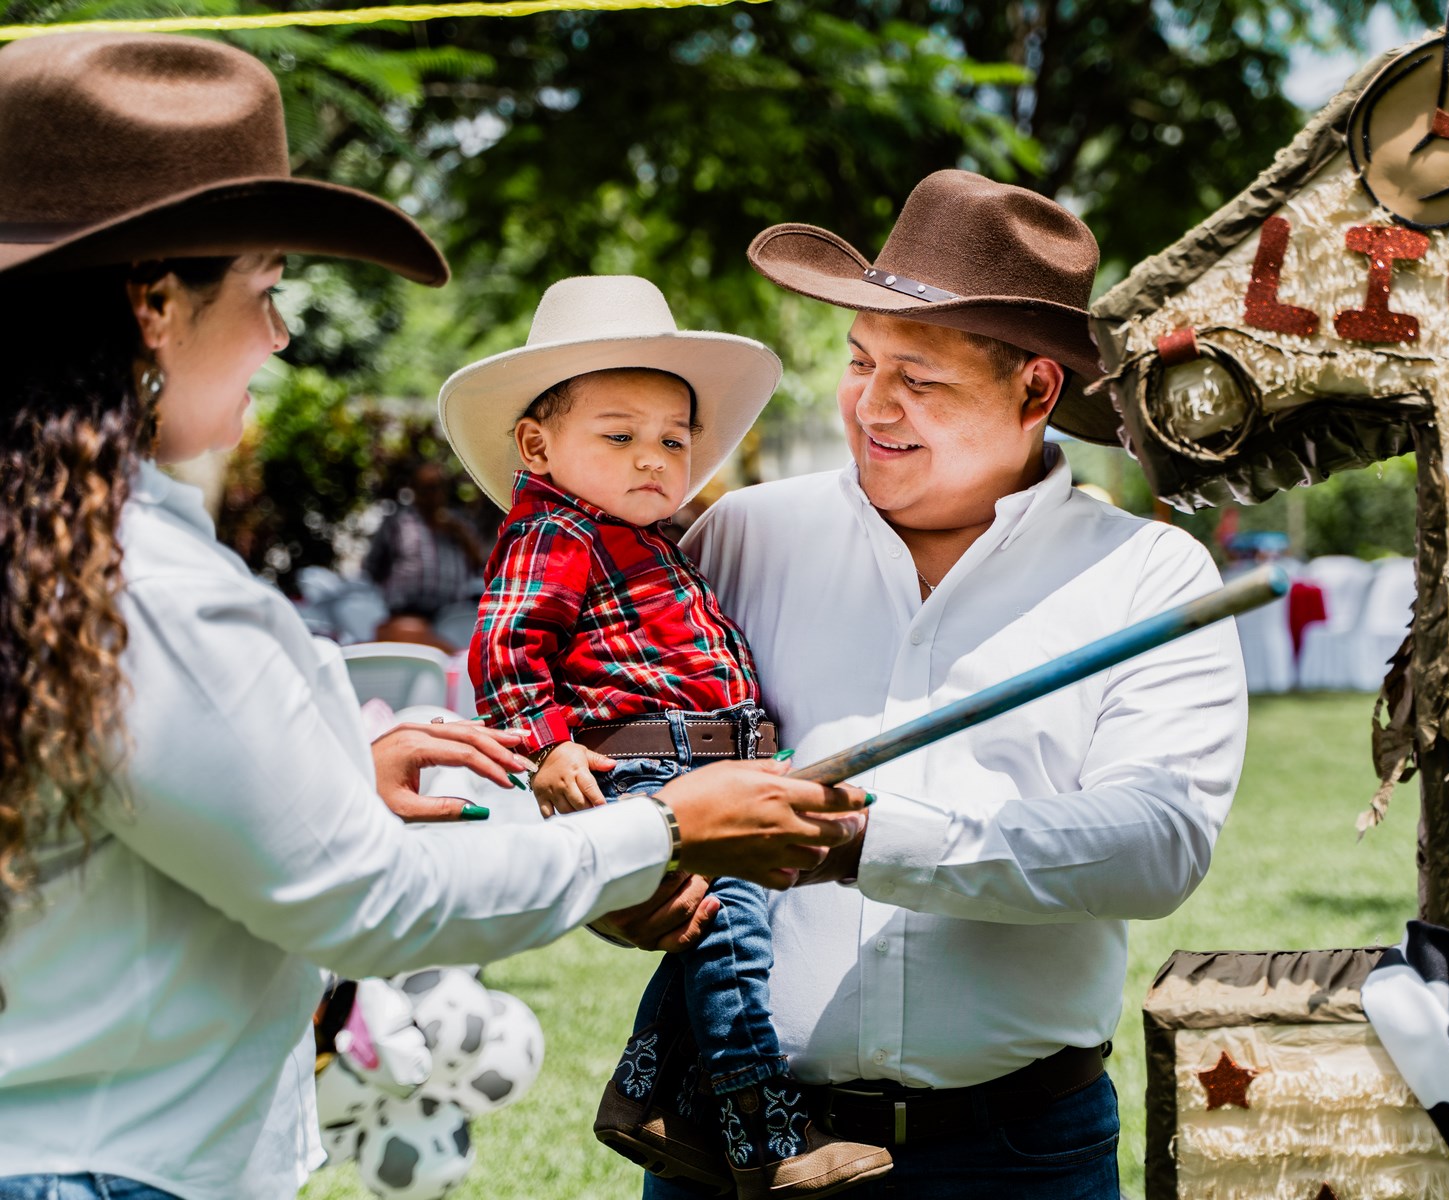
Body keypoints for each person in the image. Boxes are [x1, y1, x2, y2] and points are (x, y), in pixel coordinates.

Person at [0, 33, 861, 1200]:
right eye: (264, 291)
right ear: (155, 306)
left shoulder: (62, 549)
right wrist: (664, 829)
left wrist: (334, 780)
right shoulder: (148, 587)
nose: (280, 335)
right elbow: (370, 905)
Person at [635, 170, 1249, 1198]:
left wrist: (866, 842)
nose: (871, 403)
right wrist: (629, 871)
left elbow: (1157, 844)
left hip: (1015, 1154)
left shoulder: (1149, 575)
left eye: (918, 377)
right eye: (859, 360)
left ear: (1036, 391)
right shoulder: (743, 537)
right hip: (734, 1144)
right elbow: (635, 754)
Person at [440, 275, 892, 1198]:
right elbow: (505, 643)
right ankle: (764, 1134)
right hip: (648, 761)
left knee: (711, 927)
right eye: (619, 437)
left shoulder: (641, 536)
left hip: (701, 756)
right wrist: (547, 748)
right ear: (537, 445)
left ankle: (649, 1095)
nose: (652, 459)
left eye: (674, 441)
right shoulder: (554, 531)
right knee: (731, 937)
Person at [362, 460, 485, 642]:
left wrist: (461, 535)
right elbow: (372, 568)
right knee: (406, 632)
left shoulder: (459, 525)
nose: (432, 495)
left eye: (437, 488)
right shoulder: (398, 523)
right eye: (427, 488)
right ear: (415, 489)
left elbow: (481, 567)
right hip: (407, 614)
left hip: (454, 616)